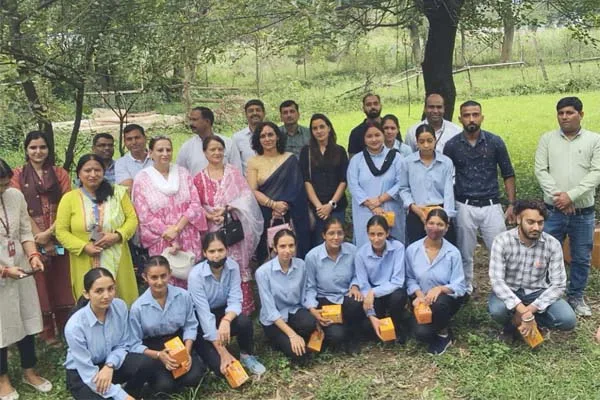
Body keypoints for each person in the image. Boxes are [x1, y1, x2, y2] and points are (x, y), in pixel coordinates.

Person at [534, 96, 600, 317]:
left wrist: (571, 196)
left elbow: (596, 173)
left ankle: (576, 297)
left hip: (583, 212)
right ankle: (545, 295)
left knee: (581, 256)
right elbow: (541, 170)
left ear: (581, 114)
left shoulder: (594, 140)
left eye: (569, 112)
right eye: (561, 113)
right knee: (545, 253)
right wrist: (560, 198)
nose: (564, 117)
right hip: (553, 211)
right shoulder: (547, 139)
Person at [443, 100, 516, 294]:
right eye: (467, 115)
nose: (471, 119)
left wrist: (511, 204)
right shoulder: (452, 146)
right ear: (460, 119)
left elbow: (508, 173)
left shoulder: (495, 142)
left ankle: (503, 289)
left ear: (482, 117)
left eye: (475, 114)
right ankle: (465, 288)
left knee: (500, 251)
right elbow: (444, 177)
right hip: (464, 205)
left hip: (491, 204)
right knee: (464, 252)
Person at [10, 131, 73, 344]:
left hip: (60, 235)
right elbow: (19, 209)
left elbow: (67, 205)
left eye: (42, 147)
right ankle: (46, 331)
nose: (38, 151)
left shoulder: (60, 173)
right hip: (31, 240)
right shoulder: (17, 176)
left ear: (48, 149)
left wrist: (51, 233)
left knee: (61, 280)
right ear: (26, 150)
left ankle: (66, 327)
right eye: (33, 147)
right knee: (39, 282)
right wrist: (39, 235)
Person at [193, 135, 263, 315]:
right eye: (212, 149)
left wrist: (230, 207)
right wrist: (210, 215)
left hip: (233, 228)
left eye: (220, 149)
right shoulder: (198, 179)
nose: (217, 153)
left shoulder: (233, 173)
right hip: (212, 230)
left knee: (237, 265)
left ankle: (243, 308)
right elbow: (195, 204)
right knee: (216, 262)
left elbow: (246, 196)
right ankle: (218, 306)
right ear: (204, 152)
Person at [56, 154, 139, 306]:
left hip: (117, 256)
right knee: (89, 303)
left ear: (104, 172)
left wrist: (117, 236)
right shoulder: (69, 198)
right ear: (79, 173)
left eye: (97, 170)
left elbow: (132, 220)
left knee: (121, 302)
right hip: (84, 259)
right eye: (87, 170)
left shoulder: (118, 193)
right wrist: (84, 246)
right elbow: (61, 231)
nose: (93, 174)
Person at [488, 200, 576, 342]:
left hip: (537, 291)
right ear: (518, 219)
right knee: (497, 311)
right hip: (510, 289)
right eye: (530, 222)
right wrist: (522, 310)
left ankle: (521, 323)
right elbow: (497, 281)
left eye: (540, 223)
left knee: (568, 319)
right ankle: (513, 325)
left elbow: (559, 285)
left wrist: (528, 311)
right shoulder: (502, 241)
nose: (536, 227)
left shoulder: (552, 244)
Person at [0, 158, 52, 400]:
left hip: (20, 267)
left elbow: (24, 231)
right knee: (1, 326)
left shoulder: (15, 196)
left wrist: (33, 255)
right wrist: (4, 270)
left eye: (6, 184)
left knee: (26, 318)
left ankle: (29, 371)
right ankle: (3, 379)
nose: (4, 189)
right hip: (3, 272)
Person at [64, 268, 154, 400]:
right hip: (83, 373)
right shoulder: (74, 327)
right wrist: (123, 397)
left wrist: (110, 365)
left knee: (146, 363)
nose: (106, 296)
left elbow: (123, 344)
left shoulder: (120, 307)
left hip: (110, 362)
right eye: (99, 291)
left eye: (110, 289)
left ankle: (132, 392)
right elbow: (88, 374)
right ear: (86, 294)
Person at [132, 136, 207, 288]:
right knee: (165, 280)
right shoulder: (142, 179)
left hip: (187, 234)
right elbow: (144, 215)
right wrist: (170, 234)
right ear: (150, 153)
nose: (165, 153)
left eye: (168, 150)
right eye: (160, 150)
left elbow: (195, 203)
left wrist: (177, 228)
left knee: (193, 279)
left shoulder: (183, 173)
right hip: (161, 239)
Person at [188, 232, 266, 377]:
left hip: (224, 312)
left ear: (227, 250)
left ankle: (246, 355)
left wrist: (226, 320)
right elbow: (204, 315)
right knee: (221, 370)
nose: (216, 255)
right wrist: (223, 353)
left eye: (220, 250)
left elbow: (235, 299)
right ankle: (204, 350)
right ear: (204, 253)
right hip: (201, 319)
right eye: (211, 251)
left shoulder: (233, 267)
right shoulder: (195, 276)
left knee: (244, 321)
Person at [128, 256, 206, 396]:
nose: (159, 282)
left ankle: (193, 362)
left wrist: (187, 352)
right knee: (164, 386)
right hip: (154, 348)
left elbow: (190, 325)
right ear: (145, 277)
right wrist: (159, 355)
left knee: (193, 377)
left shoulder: (183, 296)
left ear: (170, 273)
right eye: (154, 277)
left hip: (178, 342)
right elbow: (134, 343)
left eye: (163, 276)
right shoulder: (138, 308)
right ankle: (154, 379)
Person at [405, 209, 466, 355]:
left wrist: (440, 289)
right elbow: (409, 278)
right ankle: (430, 326)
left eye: (440, 224)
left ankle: (444, 333)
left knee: (439, 304)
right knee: (422, 334)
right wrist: (419, 295)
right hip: (421, 301)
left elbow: (460, 286)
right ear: (425, 224)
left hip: (444, 301)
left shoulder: (453, 253)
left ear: (447, 227)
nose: (435, 228)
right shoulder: (412, 250)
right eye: (431, 223)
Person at [247, 122, 310, 261]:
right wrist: (273, 205)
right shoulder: (253, 162)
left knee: (292, 250)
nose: (267, 139)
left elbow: (297, 188)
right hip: (265, 213)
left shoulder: (290, 158)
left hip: (290, 212)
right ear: (258, 139)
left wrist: (284, 206)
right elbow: (252, 190)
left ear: (278, 137)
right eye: (263, 136)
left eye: (270, 134)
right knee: (268, 252)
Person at [303, 217, 363, 354]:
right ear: (324, 235)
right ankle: (334, 332)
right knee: (337, 336)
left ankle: (353, 339)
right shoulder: (312, 257)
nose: (336, 237)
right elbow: (310, 287)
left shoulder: (353, 251)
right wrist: (312, 309)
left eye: (339, 233)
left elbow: (358, 274)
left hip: (346, 296)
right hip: (325, 300)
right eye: (331, 233)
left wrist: (355, 286)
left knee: (356, 302)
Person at [256, 229, 317, 363]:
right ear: (275, 247)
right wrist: (292, 335)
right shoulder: (263, 272)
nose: (287, 250)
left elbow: (307, 291)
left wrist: (313, 310)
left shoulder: (301, 265)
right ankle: (278, 338)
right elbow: (270, 311)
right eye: (282, 246)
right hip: (274, 320)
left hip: (294, 311)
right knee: (300, 356)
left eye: (291, 246)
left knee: (310, 323)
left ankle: (293, 336)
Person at [347, 121, 404, 247]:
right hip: (365, 211)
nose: (374, 139)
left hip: (389, 209)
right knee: (366, 247)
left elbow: (401, 183)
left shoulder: (396, 158)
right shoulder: (357, 160)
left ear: (383, 135)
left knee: (392, 248)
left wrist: (380, 199)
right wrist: (372, 206)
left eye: (377, 135)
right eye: (369, 136)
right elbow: (353, 185)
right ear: (364, 139)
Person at [399, 124, 456, 246]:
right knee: (416, 249)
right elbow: (403, 188)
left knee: (442, 248)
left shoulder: (446, 162)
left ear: (435, 140)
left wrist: (447, 216)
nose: (426, 145)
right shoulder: (407, 163)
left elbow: (448, 191)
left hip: (440, 211)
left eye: (429, 141)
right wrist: (415, 208)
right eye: (422, 141)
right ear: (416, 142)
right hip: (416, 211)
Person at [355, 216, 407, 343]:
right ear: (367, 234)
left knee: (398, 296)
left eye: (380, 234)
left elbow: (398, 281)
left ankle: (397, 325)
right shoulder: (361, 254)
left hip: (391, 291)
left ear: (387, 233)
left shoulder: (398, 248)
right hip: (373, 296)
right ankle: (382, 324)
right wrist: (371, 313)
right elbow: (363, 284)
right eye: (372, 234)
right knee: (368, 328)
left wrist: (373, 292)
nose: (376, 239)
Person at [299, 114, 349, 247]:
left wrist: (331, 204)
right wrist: (319, 207)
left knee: (337, 243)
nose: (319, 131)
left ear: (329, 128)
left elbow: (343, 180)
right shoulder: (306, 152)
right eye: (315, 128)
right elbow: (306, 180)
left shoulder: (339, 151)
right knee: (318, 245)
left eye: (322, 127)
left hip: (337, 206)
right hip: (316, 208)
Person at [177, 106, 242, 175]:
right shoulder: (187, 147)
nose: (191, 123)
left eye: (195, 120)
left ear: (207, 121)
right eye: (190, 120)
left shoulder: (228, 143)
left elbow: (237, 172)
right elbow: (180, 174)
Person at [114, 124, 153, 191]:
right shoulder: (121, 163)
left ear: (145, 138)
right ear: (125, 142)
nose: (134, 142)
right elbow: (130, 189)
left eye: (137, 138)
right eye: (129, 139)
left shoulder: (157, 158)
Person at [232, 99, 266, 175]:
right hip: (247, 181)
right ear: (246, 115)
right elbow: (236, 165)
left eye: (258, 110)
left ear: (264, 113)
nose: (255, 113)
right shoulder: (237, 138)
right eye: (251, 111)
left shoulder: (272, 134)